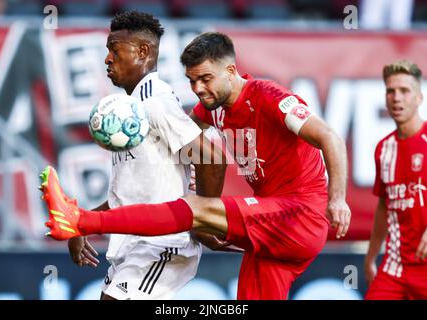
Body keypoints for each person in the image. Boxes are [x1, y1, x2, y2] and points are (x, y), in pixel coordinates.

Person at [42, 32, 351, 300]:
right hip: (272, 229)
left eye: (205, 78)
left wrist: (337, 200)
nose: (199, 89)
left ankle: (80, 220)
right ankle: (86, 220)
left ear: (230, 70)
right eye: (192, 81)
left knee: (196, 209)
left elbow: (330, 138)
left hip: (300, 215)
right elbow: (172, 158)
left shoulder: (270, 97)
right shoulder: (211, 108)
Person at [64, 12, 226, 300]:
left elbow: (211, 158)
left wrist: (202, 220)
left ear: (142, 52)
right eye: (107, 51)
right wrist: (83, 223)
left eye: (115, 51)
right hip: (134, 244)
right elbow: (131, 195)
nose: (107, 59)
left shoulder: (154, 101)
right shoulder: (131, 110)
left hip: (160, 243)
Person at [364, 60, 427, 300]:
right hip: (395, 267)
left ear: (419, 97)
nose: (396, 98)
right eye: (390, 91)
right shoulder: (383, 148)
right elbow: (383, 205)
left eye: (404, 91)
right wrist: (371, 256)